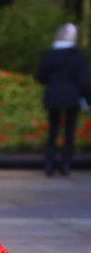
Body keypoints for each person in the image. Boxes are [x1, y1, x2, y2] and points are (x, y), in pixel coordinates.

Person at [36, 23, 91, 176]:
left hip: (53, 95)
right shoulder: (78, 56)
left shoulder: (49, 55)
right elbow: (84, 81)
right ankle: (65, 165)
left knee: (53, 131)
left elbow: (41, 76)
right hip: (72, 97)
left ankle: (49, 164)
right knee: (69, 131)